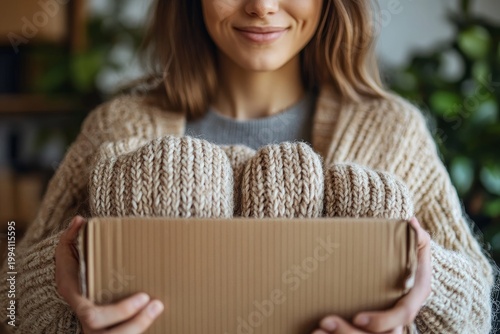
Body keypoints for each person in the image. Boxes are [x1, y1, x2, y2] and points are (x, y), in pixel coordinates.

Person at [0, 0, 495, 333]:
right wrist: (68, 294)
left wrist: (420, 287)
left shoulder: (392, 130)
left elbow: (478, 301)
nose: (261, 5)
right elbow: (9, 296)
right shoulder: (118, 126)